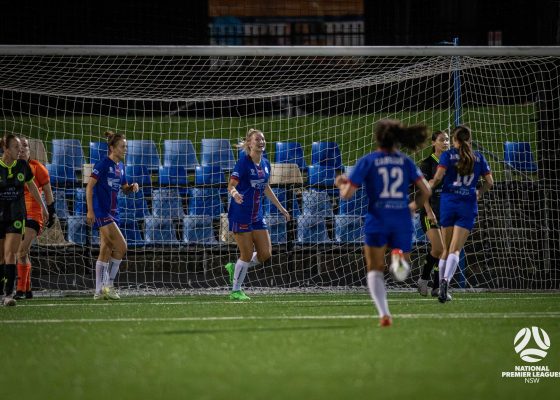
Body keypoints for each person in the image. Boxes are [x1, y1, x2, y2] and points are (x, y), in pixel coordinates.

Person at [336, 120, 431, 327]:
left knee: (374, 268)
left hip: (378, 218)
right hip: (401, 217)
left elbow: (347, 195)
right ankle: (398, 257)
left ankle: (384, 314)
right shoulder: (405, 161)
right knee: (401, 272)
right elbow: (426, 190)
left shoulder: (368, 161)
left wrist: (341, 184)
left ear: (377, 138)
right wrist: (414, 206)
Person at [224, 129, 290, 301]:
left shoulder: (266, 164)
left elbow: (265, 187)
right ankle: (236, 291)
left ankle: (235, 267)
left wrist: (281, 208)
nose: (261, 141)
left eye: (263, 139)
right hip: (241, 213)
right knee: (246, 254)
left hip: (257, 215)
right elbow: (231, 185)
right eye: (257, 139)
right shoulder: (243, 163)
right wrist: (235, 194)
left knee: (265, 254)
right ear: (249, 143)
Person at [431, 125, 493, 303]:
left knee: (445, 249)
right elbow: (490, 181)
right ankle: (446, 283)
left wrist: (428, 187)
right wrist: (479, 192)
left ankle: (440, 285)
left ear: (455, 140)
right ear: (469, 139)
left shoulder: (447, 155)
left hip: (448, 203)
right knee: (455, 249)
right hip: (467, 204)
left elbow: (438, 178)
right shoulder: (478, 158)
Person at [86, 131, 139, 300]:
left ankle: (98, 291)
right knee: (122, 246)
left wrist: (131, 187)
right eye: (122, 147)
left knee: (106, 249)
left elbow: (124, 188)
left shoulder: (120, 167)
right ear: (112, 148)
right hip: (102, 211)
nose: (125, 150)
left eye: (126, 147)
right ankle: (109, 284)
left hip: (114, 213)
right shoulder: (102, 164)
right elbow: (89, 187)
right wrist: (90, 210)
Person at [0, 134, 48, 306]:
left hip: (17, 216)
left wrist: (44, 207)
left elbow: (33, 187)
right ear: (5, 149)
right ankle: (8, 292)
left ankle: (9, 295)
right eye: (15, 147)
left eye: (21, 146)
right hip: (1, 216)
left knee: (11, 254)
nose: (19, 150)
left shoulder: (23, 166)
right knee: (1, 257)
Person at [14, 137, 57, 300]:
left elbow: (48, 191)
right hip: (16, 214)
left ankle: (19, 290)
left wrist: (51, 211)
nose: (22, 149)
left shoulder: (38, 168)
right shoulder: (11, 168)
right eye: (19, 146)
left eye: (25, 146)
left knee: (21, 251)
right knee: (23, 253)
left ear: (29, 149)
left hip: (34, 213)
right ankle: (28, 288)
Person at [416, 130, 450, 298]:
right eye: (442, 140)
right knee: (440, 248)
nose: (446, 143)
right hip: (430, 213)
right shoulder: (427, 164)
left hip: (447, 212)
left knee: (442, 251)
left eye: (448, 140)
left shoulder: (451, 163)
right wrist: (429, 212)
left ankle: (436, 286)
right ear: (433, 143)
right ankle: (424, 280)